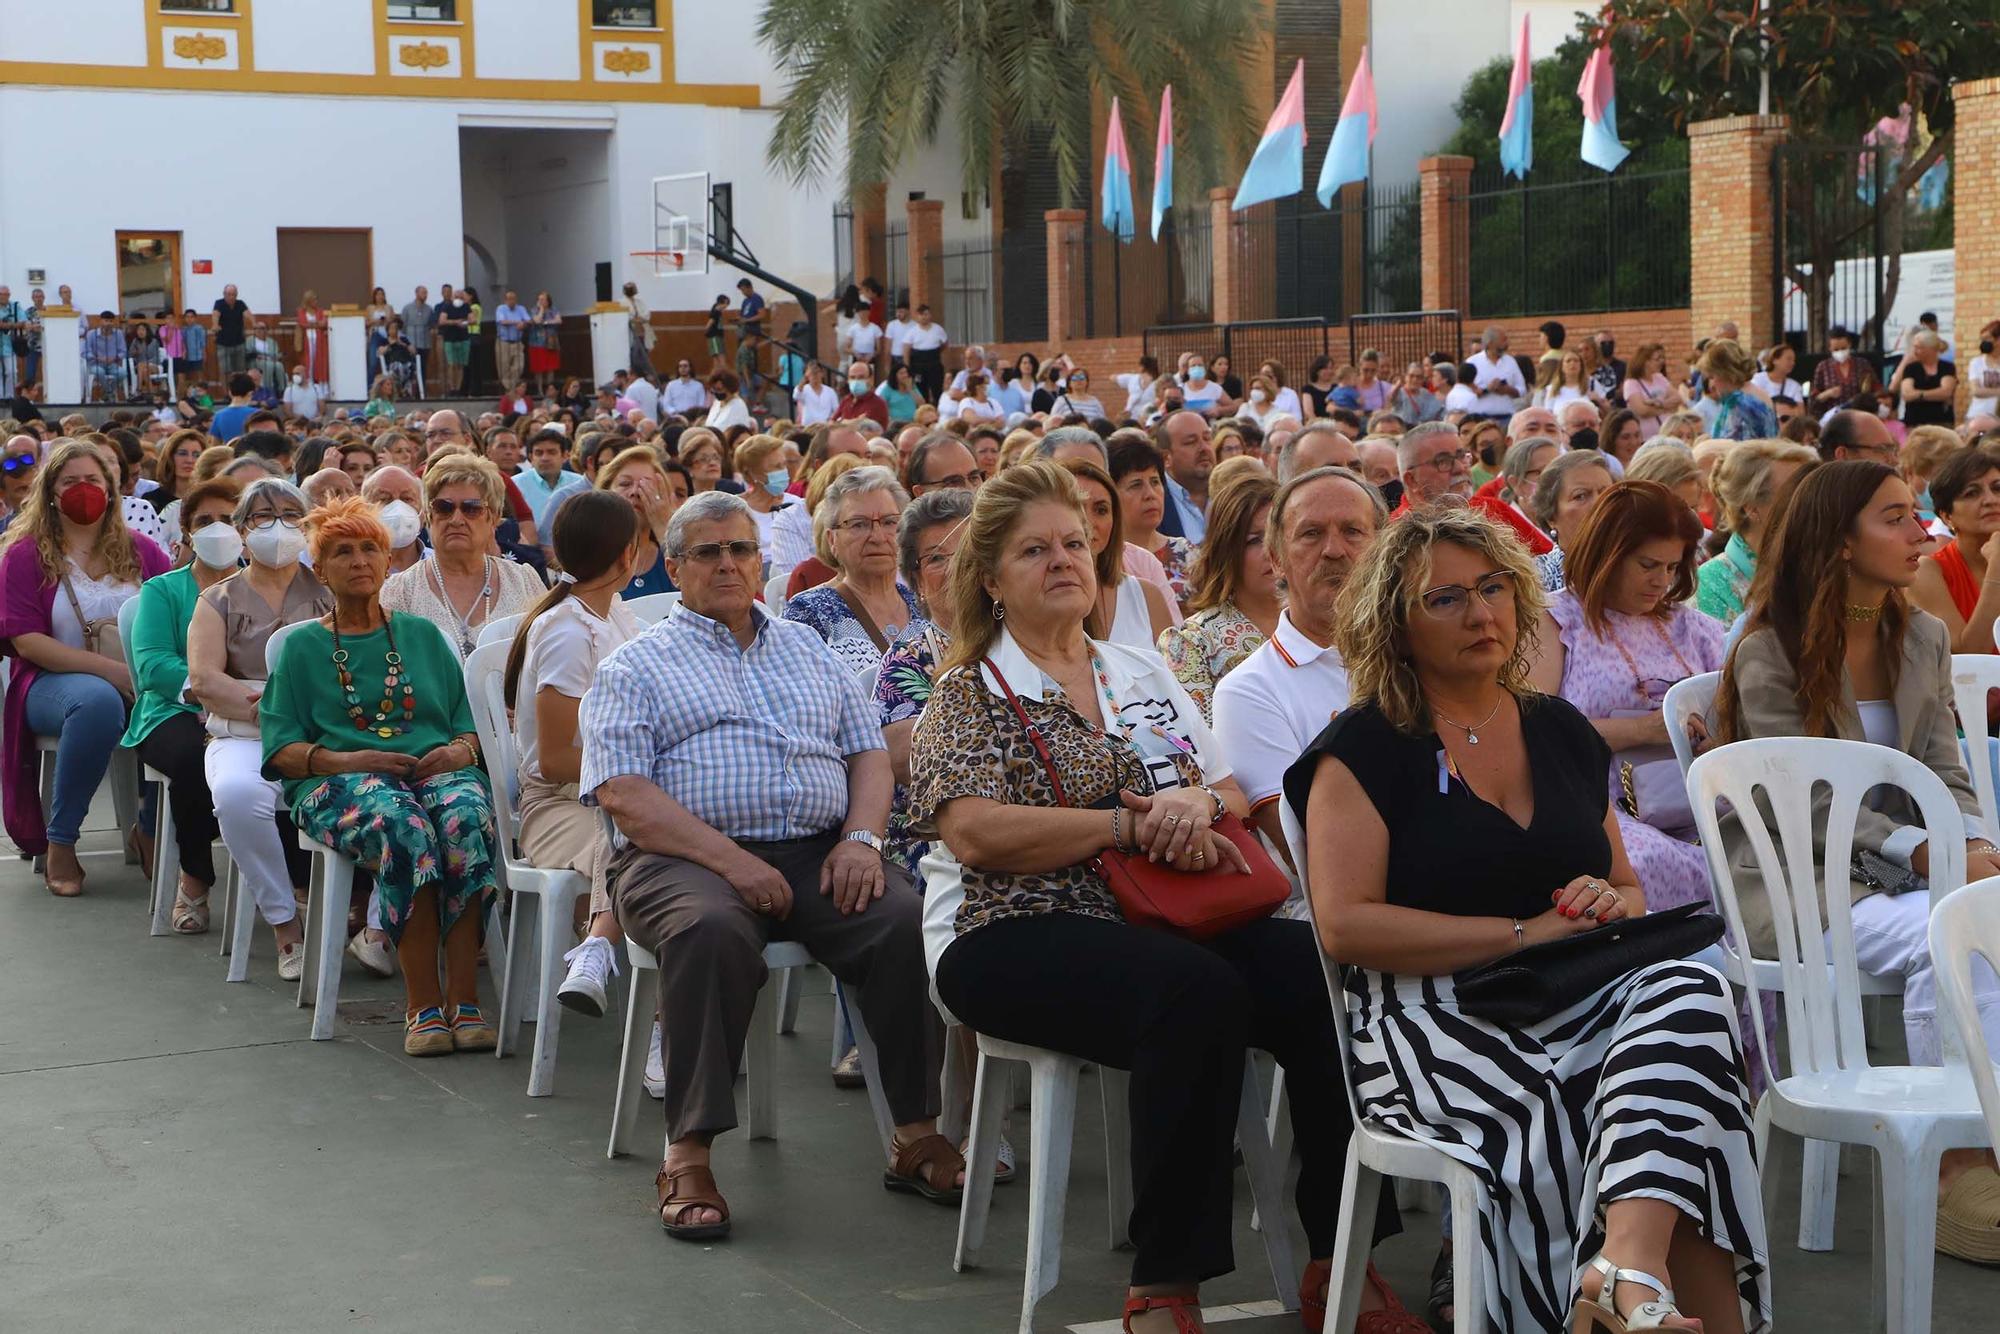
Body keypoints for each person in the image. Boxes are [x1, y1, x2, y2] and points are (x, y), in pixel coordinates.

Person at [911, 461, 1415, 1334]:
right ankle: (1165, 1284)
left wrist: (1192, 805)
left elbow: (1224, 789)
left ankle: (1343, 1257)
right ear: (990, 578)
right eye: (1035, 550)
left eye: (1074, 542)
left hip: (1168, 911)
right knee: (1194, 993)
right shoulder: (968, 691)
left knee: (1318, 970)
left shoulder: (1137, 670)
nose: (1063, 560)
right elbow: (974, 834)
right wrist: (1125, 827)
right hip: (1015, 928)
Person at [1289, 502, 1769, 1333]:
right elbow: (1345, 926)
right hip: (1431, 1012)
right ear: (1393, 625)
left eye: (1495, 588)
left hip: (1573, 986)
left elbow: (1627, 888)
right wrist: (1522, 934)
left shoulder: (1560, 730)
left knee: (1693, 985)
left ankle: (1626, 1271)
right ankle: (1625, 1282)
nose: (1481, 614)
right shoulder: (1365, 748)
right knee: (1676, 1113)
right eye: (1445, 599)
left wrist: (1595, 902)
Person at [580, 488, 955, 1240]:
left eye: (741, 549)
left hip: (816, 848)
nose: (727, 563)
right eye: (708, 552)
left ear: (762, 561)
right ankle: (686, 1152)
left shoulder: (806, 650)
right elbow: (624, 794)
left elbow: (870, 757)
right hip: (680, 855)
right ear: (675, 567)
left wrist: (860, 841)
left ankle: (915, 1134)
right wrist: (730, 862)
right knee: (711, 929)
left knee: (903, 920)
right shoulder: (635, 665)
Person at [1712, 460, 2000, 1258]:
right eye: (1896, 518)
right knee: (1951, 931)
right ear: (1840, 540)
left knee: (1977, 912)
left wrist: (1971, 842)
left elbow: (1946, 769)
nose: (1921, 533)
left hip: (1900, 874)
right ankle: (1955, 1166)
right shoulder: (1766, 647)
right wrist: (1928, 851)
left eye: (1917, 515)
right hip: (1799, 879)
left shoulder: (1925, 636)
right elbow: (1795, 800)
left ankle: (1987, 1138)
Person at [261, 496, 499, 1056]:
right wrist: (349, 760)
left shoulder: (420, 636)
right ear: (320, 571)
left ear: (388, 562)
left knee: (465, 816)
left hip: (429, 771)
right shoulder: (301, 647)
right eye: (342, 552)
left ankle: (464, 1000)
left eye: (370, 548)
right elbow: (282, 751)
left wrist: (459, 753)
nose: (359, 560)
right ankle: (422, 1006)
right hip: (336, 784)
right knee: (403, 827)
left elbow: (468, 729)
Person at [1528, 480, 1727, 921]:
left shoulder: (1694, 630)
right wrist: (1646, 729)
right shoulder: (1556, 621)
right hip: (1601, 809)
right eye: (1648, 565)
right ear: (1607, 554)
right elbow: (1533, 732)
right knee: (1638, 866)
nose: (1662, 581)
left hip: (1700, 806)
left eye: (1673, 568)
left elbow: (1737, 722)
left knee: (1761, 857)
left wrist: (1718, 740)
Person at [0, 441, 172, 894]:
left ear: (112, 490)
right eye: (70, 481)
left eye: (93, 480)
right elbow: (27, 641)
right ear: (50, 492)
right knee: (97, 702)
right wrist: (110, 671)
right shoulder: (25, 555)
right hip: (49, 684)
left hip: (140, 680)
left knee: (173, 709)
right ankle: (62, 841)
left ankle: (151, 829)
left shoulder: (143, 552)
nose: (83, 489)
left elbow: (174, 619)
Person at [505, 491, 645, 1015]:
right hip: (559, 803)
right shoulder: (567, 629)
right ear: (628, 555)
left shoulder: (615, 615)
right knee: (637, 834)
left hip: (610, 790)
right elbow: (556, 761)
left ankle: (596, 944)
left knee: (656, 827)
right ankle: (653, 1018)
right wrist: (628, 784)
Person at [185, 477, 328, 975]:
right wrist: (273, 709)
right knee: (239, 797)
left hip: (323, 732)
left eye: (291, 516)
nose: (278, 528)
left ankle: (366, 919)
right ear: (242, 531)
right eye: (264, 518)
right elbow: (204, 678)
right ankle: (284, 921)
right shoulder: (217, 599)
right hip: (243, 732)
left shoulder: (330, 593)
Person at [1214, 466, 1385, 865]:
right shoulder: (1250, 691)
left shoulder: (1423, 655)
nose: (1334, 550)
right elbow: (1307, 851)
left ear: (1383, 547)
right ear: (1276, 559)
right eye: (1311, 534)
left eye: (1353, 531)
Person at [123, 477, 243, 935]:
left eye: (229, 519)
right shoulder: (163, 591)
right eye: (204, 521)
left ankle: (302, 882)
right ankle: (195, 878)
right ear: (187, 532)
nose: (217, 529)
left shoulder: (268, 588)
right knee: (197, 757)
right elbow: (152, 665)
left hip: (255, 710)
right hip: (174, 712)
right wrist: (211, 689)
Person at [380, 455, 546, 660]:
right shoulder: (400, 592)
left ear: (493, 518)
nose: (456, 519)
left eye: (471, 508)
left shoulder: (523, 581)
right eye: (444, 508)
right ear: (429, 516)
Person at [1157, 470, 1280, 723]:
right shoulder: (1194, 643)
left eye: (1279, 536)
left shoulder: (1327, 623)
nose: (1272, 551)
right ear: (1227, 549)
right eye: (1254, 540)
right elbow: (1198, 744)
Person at [782, 466, 917, 678]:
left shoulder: (924, 606)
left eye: (889, 522)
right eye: (858, 525)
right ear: (832, 540)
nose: (877, 537)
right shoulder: (808, 613)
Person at [1696, 440, 1818, 623]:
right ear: (1752, 508)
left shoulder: (1823, 563)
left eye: (1813, 491)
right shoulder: (1710, 585)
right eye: (1795, 494)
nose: (1813, 503)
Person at [1062, 458, 1175, 651]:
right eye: (1076, 508)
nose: (1088, 522)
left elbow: (1177, 675)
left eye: (1101, 510)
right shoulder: (1045, 598)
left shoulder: (1147, 596)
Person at [1392, 421, 1553, 554]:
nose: (1460, 468)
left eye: (1462, 456)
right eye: (1443, 461)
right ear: (1412, 480)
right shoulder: (1397, 536)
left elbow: (1551, 559)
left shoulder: (1491, 509)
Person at [1910, 441, 2000, 652]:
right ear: (1947, 516)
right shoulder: (1928, 571)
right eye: (1971, 493)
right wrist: (1996, 568)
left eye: (1998, 489)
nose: (1990, 500)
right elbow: (1970, 658)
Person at [1108, 434, 1195, 607]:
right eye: (1136, 485)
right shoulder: (1106, 562)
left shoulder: (1187, 554)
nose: (1150, 494)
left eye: (1155, 482)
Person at [596, 446, 688, 598]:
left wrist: (664, 528)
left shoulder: (672, 556)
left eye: (647, 486)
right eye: (625, 484)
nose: (635, 492)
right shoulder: (591, 555)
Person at [1524, 448, 1617, 591]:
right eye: (1580, 496)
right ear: (1551, 516)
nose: (1599, 503)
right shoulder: (1533, 580)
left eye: (1606, 493)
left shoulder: (1639, 567)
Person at [514, 427, 588, 538]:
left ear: (565, 456)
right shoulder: (515, 485)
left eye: (551, 452)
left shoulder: (580, 484)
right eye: (539, 453)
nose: (545, 458)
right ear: (530, 458)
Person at [1894, 329, 1959, 431]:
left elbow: (1946, 392)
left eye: (1919, 348)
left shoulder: (1947, 367)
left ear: (1931, 349)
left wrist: (1918, 395)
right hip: (1915, 423)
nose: (1915, 351)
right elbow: (1907, 394)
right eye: (1914, 347)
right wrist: (1934, 394)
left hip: (1942, 422)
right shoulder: (1911, 368)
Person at [295, 291, 331, 392]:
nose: (316, 301)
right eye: (314, 299)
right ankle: (308, 383)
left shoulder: (319, 311)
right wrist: (316, 324)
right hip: (306, 340)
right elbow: (302, 323)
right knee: (308, 362)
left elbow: (323, 323)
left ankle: (321, 386)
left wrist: (312, 324)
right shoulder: (301, 311)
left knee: (319, 362)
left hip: (319, 340)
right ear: (309, 301)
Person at [703, 369, 753, 433]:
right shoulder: (717, 403)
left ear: (729, 388)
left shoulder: (738, 406)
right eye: (714, 389)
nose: (716, 392)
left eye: (719, 389)